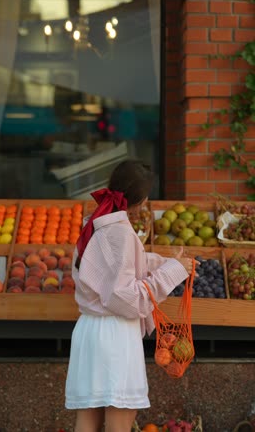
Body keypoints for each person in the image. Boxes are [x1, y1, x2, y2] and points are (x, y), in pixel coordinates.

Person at [65, 159, 195, 432]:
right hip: (115, 334)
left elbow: (111, 268)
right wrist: (173, 271)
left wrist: (162, 262)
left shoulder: (94, 225)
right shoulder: (119, 232)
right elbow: (126, 298)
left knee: (87, 421)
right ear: (142, 200)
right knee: (119, 423)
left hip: (89, 330)